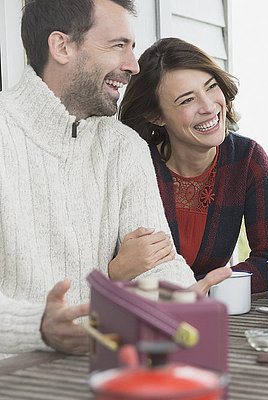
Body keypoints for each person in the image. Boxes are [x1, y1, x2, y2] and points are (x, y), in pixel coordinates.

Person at [0, 0, 230, 358]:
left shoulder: (124, 146)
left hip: (109, 365)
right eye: (118, 45)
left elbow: (159, 261)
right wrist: (38, 326)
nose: (133, 66)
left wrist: (181, 299)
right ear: (62, 46)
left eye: (132, 47)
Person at [118, 37, 268, 293]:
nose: (209, 107)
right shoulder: (135, 167)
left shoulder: (248, 159)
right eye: (187, 100)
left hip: (212, 310)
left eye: (211, 87)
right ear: (156, 116)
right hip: (143, 312)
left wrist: (206, 287)